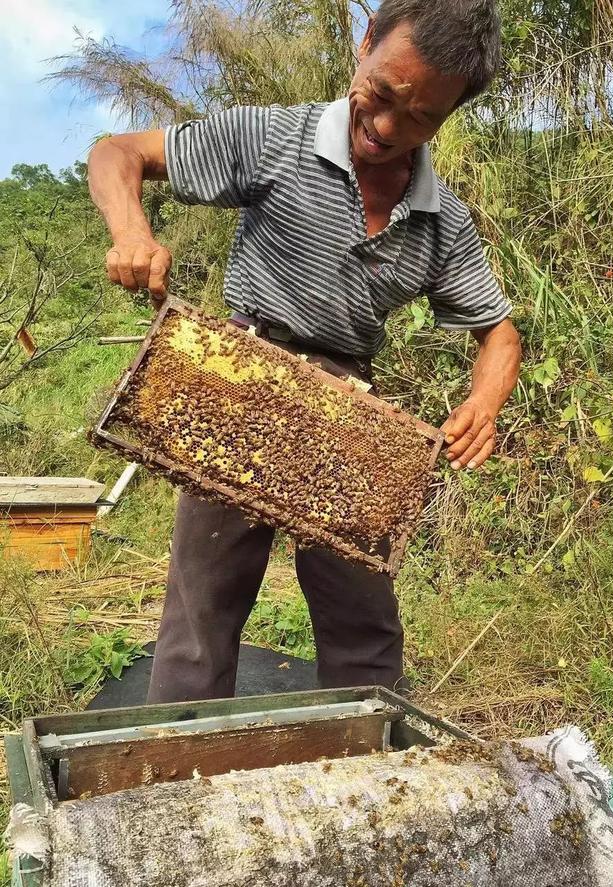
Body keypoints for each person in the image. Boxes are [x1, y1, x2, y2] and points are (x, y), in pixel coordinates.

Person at [88, 0, 521, 702]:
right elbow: (118, 153)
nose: (386, 129)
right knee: (200, 623)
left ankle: (376, 785)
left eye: (420, 119)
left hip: (350, 416)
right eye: (382, 95)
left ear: (449, 114)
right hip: (237, 385)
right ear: (366, 41)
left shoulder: (444, 222)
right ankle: (171, 784)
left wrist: (486, 399)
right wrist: (131, 230)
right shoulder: (271, 137)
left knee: (365, 633)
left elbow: (499, 333)